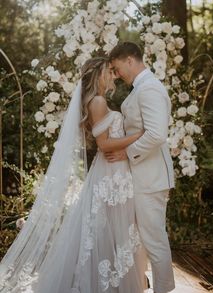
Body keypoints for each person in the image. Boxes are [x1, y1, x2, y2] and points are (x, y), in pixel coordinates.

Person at [0, 57, 146, 293]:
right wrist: (140, 136)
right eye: (109, 71)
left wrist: (127, 150)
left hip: (115, 173)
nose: (113, 75)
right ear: (99, 74)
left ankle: (113, 282)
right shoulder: (97, 101)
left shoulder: (98, 100)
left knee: (112, 230)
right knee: (107, 229)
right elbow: (104, 144)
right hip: (110, 176)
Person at [107, 42, 175, 293]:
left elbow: (157, 134)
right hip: (141, 176)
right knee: (143, 240)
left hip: (151, 178)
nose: (116, 74)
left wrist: (126, 152)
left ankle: (164, 290)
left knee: (154, 240)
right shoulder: (140, 88)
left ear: (130, 61)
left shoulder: (150, 89)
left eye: (117, 68)